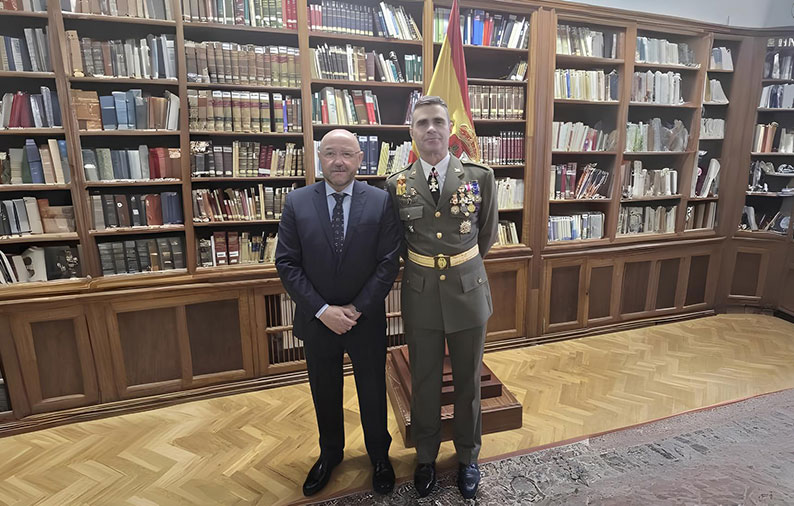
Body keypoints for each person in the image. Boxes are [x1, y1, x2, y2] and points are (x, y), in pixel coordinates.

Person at [276, 129, 402, 497]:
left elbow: (387, 262)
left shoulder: (380, 201)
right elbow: (286, 263)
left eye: (346, 154)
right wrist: (321, 310)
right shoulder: (296, 202)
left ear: (360, 158)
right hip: (317, 322)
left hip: (365, 321)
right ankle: (330, 454)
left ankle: (380, 455)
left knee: (373, 390)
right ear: (319, 157)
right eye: (330, 153)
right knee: (324, 391)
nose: (338, 161)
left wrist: (356, 309)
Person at [386, 96, 499, 500]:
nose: (431, 129)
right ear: (411, 132)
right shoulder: (396, 184)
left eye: (438, 121)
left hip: (468, 292)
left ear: (450, 130)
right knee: (426, 382)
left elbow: (485, 235)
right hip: (421, 296)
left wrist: (460, 266)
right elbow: (398, 242)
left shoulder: (480, 176)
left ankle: (468, 457)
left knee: (468, 382)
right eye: (422, 123)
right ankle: (426, 458)